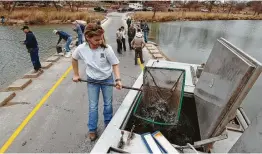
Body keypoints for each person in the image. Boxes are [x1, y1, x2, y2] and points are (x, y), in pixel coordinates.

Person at [72, 23, 122, 141]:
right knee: (93, 106)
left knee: (108, 104)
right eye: (97, 39)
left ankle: (108, 124)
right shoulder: (81, 49)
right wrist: (76, 74)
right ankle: (92, 129)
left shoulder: (106, 49)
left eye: (101, 38)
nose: (100, 41)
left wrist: (118, 79)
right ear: (88, 38)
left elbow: (115, 64)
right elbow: (74, 59)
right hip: (92, 80)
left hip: (107, 79)